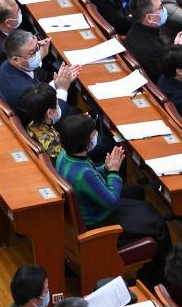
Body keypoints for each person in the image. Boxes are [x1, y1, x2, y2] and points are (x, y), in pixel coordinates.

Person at [55, 114, 169, 281]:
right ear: (85, 142)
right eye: (93, 133)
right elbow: (112, 202)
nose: (96, 135)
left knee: (137, 193)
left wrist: (105, 168)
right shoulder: (83, 174)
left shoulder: (64, 154)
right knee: (158, 222)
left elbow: (92, 174)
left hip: (88, 208)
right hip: (98, 221)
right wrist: (114, 171)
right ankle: (158, 278)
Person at [0, 29, 77, 125]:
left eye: (37, 46)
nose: (38, 53)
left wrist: (56, 83)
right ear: (16, 59)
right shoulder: (26, 92)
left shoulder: (6, 65)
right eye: (33, 53)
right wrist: (62, 89)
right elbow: (52, 118)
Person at [125, 0, 182, 84]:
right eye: (160, 8)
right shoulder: (154, 49)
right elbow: (172, 78)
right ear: (149, 18)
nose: (164, 10)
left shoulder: (136, 28)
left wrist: (175, 48)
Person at [24, 83, 62, 161]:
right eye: (57, 103)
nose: (58, 105)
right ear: (49, 113)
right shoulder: (55, 142)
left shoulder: (30, 125)